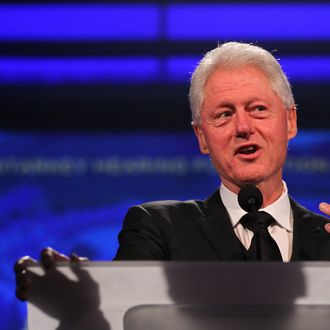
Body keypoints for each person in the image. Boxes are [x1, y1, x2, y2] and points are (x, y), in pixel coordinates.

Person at [15, 42, 330, 300]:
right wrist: (88, 295)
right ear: (202, 137)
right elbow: (122, 307)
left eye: (258, 109)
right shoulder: (158, 229)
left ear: (290, 121)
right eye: (223, 114)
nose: (243, 127)